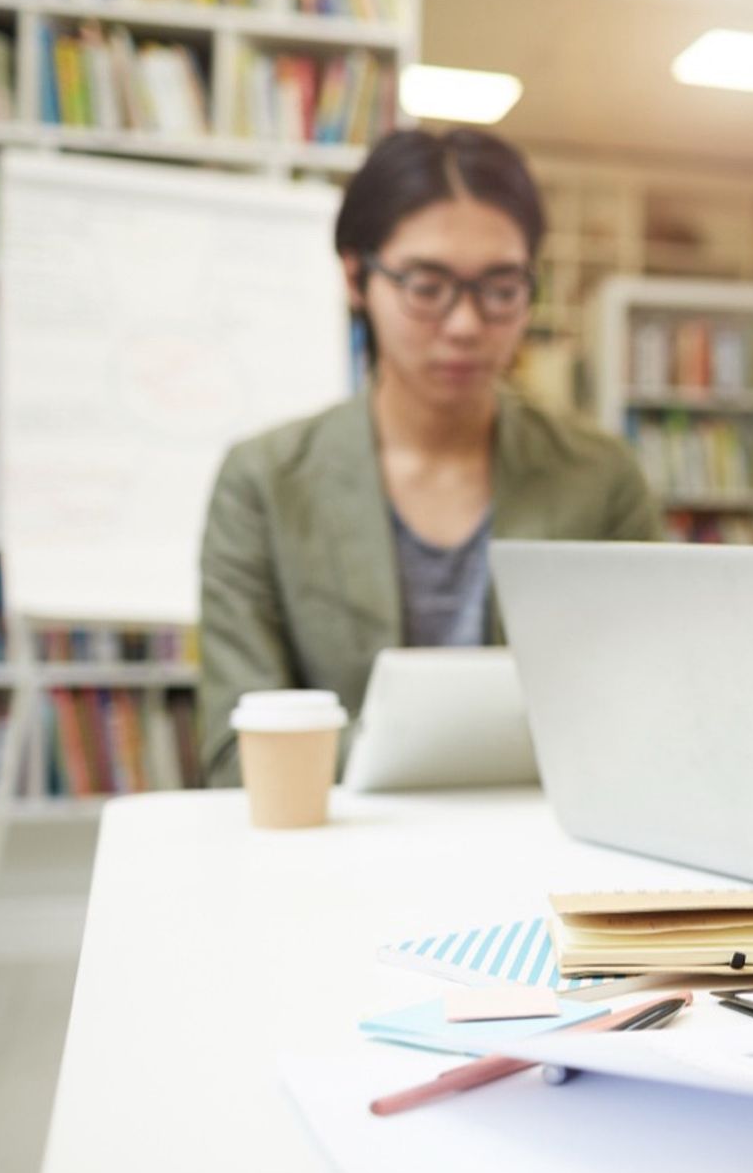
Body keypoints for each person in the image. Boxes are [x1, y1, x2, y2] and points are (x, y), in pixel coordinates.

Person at [198, 128, 658, 785]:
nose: (466, 324)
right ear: (357, 278)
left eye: (500, 287)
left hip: (548, 855)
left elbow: (653, 707)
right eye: (426, 285)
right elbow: (235, 754)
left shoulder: (600, 475)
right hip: (333, 864)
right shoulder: (264, 482)